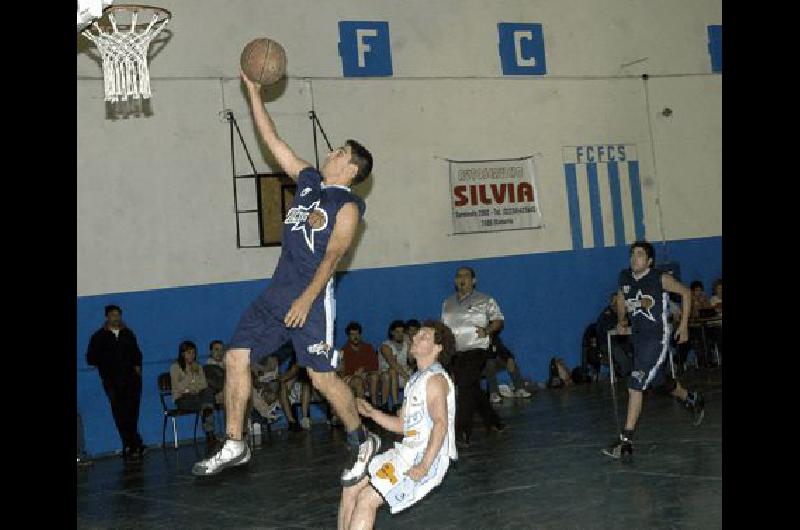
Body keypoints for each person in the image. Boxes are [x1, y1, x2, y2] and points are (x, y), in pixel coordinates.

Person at [192, 71, 378, 482]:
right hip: (276, 295)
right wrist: (255, 94)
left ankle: (363, 440)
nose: (330, 151)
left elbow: (333, 257)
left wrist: (307, 298)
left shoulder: (347, 207)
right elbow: (274, 142)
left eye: (339, 150)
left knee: (322, 378)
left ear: (350, 168)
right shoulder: (310, 182)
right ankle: (235, 443)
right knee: (236, 356)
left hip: (310, 301)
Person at [338, 321, 458, 530]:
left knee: (367, 499)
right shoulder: (415, 380)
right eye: (417, 334)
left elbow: (440, 424)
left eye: (424, 337)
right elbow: (403, 426)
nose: (416, 338)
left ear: (438, 348)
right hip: (407, 452)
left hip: (426, 457)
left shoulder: (435, 380)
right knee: (351, 487)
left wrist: (424, 465)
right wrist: (372, 413)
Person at [602, 241, 706, 459]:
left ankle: (626, 442)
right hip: (639, 340)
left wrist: (684, 325)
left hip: (657, 339)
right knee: (659, 383)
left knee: (635, 384)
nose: (634, 258)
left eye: (639, 255)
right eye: (632, 254)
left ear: (649, 261)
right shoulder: (625, 277)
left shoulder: (660, 278)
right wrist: (621, 320)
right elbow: (621, 297)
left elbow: (686, 293)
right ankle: (692, 399)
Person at [441, 266, 505, 447]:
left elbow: (498, 320)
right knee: (472, 388)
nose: (462, 279)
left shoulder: (485, 300)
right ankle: (493, 421)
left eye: (466, 276)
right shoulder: (447, 303)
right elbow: (445, 329)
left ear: (473, 280)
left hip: (477, 350)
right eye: (459, 276)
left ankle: (463, 432)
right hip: (456, 353)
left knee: (464, 387)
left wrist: (487, 330)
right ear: (455, 281)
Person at [86, 304, 146, 461]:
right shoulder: (98, 336)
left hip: (132, 380)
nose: (116, 317)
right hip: (112, 381)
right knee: (120, 413)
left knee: (132, 412)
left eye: (118, 314)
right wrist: (105, 364)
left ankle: (133, 444)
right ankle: (132, 444)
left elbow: (137, 353)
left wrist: (137, 369)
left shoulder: (128, 334)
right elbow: (90, 358)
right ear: (107, 317)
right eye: (113, 315)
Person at [170, 340, 220, 456]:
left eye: (193, 352)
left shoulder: (198, 366)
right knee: (206, 403)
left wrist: (195, 389)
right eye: (189, 352)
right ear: (182, 353)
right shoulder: (175, 367)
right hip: (182, 398)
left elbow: (203, 384)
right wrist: (190, 375)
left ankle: (210, 434)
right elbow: (178, 387)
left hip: (197, 395)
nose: (192, 355)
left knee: (208, 392)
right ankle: (210, 434)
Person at [339, 321, 381, 407]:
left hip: (366, 375)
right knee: (357, 381)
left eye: (357, 334)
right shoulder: (343, 351)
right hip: (351, 378)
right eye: (352, 335)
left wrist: (364, 370)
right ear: (348, 336)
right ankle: (363, 409)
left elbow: (375, 365)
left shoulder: (368, 347)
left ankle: (374, 405)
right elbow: (343, 373)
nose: (355, 337)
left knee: (374, 376)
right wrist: (355, 375)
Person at [483, 334, 532, 403]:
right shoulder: (472, 337)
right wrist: (487, 345)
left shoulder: (493, 336)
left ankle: (519, 389)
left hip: (490, 364)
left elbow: (502, 350)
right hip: (476, 367)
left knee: (510, 361)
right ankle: (493, 394)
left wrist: (510, 357)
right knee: (490, 362)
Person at [379, 320, 412, 412]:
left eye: (402, 332)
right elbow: (392, 363)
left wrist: (410, 343)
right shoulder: (385, 345)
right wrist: (407, 377)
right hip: (387, 375)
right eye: (397, 332)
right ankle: (395, 403)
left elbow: (412, 361)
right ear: (392, 332)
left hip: (403, 374)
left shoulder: (407, 344)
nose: (400, 334)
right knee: (392, 371)